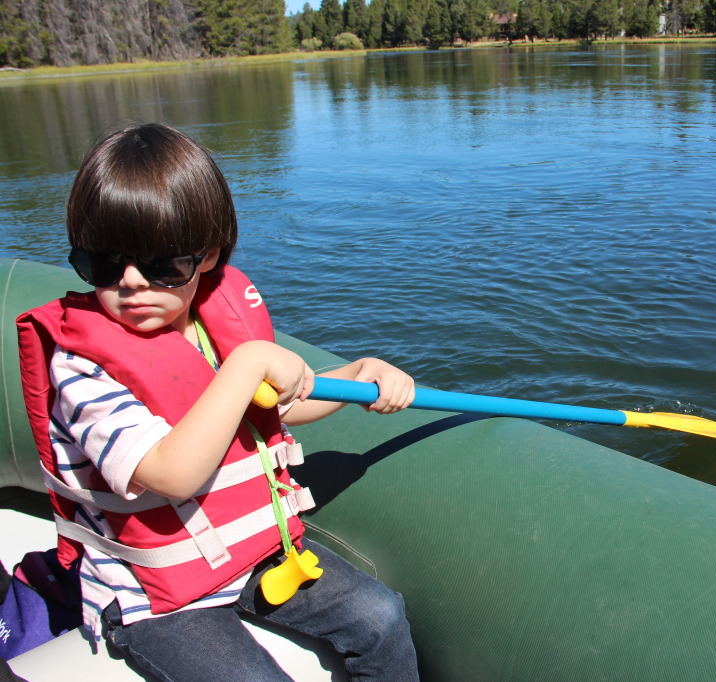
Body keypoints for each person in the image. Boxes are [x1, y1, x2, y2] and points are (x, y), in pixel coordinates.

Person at [16, 122, 419, 681]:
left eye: (162, 265)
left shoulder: (209, 325)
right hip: (155, 592)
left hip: (252, 551)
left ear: (206, 257)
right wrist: (250, 361)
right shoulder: (81, 366)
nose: (131, 283)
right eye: (104, 263)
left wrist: (355, 376)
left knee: (380, 617)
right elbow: (172, 474)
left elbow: (271, 414)